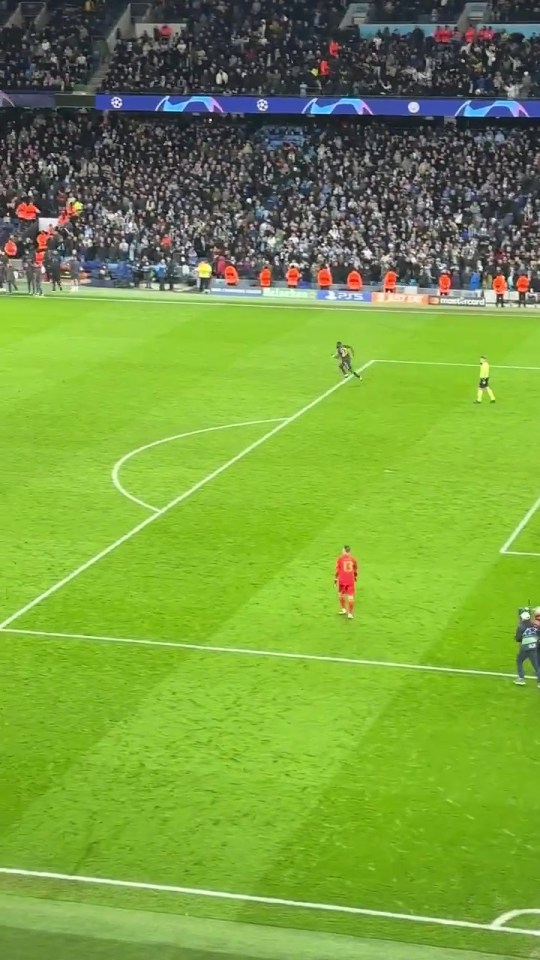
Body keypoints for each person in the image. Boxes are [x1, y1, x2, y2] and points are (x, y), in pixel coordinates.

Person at [514, 610, 540, 685]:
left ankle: (520, 678)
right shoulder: (535, 625)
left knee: (519, 660)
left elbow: (518, 639)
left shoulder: (521, 626)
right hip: (534, 647)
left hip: (525, 648)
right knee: (536, 665)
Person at [334, 545, 358, 619]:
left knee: (341, 595)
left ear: (344, 550)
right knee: (350, 597)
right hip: (350, 580)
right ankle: (350, 613)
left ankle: (344, 609)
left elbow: (337, 570)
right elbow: (355, 569)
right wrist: (355, 576)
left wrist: (335, 579)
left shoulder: (340, 559)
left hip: (342, 580)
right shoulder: (353, 559)